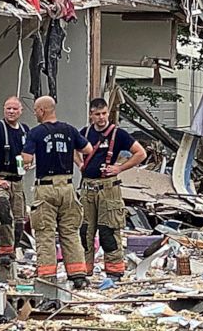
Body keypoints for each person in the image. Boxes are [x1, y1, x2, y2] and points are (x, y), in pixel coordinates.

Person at [22, 96, 94, 288]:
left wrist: (26, 160)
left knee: (45, 232)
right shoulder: (69, 130)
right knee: (70, 232)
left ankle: (47, 276)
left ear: (43, 110)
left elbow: (27, 158)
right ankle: (78, 274)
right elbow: (88, 148)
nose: (35, 113)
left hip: (46, 187)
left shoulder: (36, 133)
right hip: (68, 186)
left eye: (36, 110)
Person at [78, 98, 147, 278]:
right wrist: (80, 164)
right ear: (91, 115)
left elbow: (141, 153)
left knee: (108, 231)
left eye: (104, 113)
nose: (101, 118)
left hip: (108, 188)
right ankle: (84, 272)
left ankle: (114, 272)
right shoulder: (85, 133)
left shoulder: (119, 134)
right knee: (85, 231)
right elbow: (73, 148)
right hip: (87, 188)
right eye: (97, 114)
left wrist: (119, 168)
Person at [0, 96, 30, 266]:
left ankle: (12, 251)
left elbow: (29, 154)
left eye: (14, 109)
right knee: (3, 211)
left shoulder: (25, 130)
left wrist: (28, 163)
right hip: (1, 177)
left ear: (21, 111)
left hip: (18, 181)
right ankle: (2, 250)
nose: (11, 112)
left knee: (19, 220)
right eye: (8, 108)